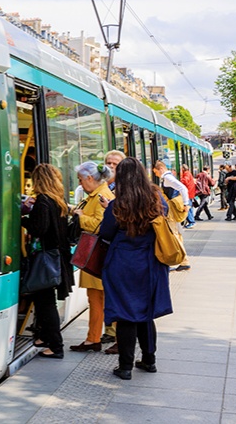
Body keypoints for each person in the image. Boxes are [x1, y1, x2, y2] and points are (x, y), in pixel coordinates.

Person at [99, 157, 173, 380]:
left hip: (123, 264)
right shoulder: (156, 198)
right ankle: (149, 361)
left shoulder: (117, 204)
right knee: (146, 313)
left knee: (125, 314)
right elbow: (165, 218)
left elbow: (105, 234)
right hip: (151, 262)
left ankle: (125, 366)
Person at [21, 164, 73, 359]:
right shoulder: (58, 200)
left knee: (45, 302)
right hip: (57, 256)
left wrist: (23, 218)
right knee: (42, 299)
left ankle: (56, 346)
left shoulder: (43, 201)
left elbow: (39, 229)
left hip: (46, 259)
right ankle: (43, 336)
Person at [69, 161, 114, 353]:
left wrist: (80, 217)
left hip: (96, 255)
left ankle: (93, 339)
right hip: (95, 255)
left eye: (81, 179)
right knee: (96, 299)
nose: (80, 184)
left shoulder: (102, 196)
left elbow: (99, 224)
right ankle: (92, 338)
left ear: (89, 178)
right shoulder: (96, 195)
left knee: (98, 300)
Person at [101, 150, 125, 350]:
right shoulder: (105, 186)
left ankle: (118, 336)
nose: (110, 166)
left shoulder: (122, 192)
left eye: (115, 164)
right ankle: (110, 331)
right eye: (108, 162)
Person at [152, 161, 191, 271]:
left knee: (173, 233)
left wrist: (186, 203)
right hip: (172, 210)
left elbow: (183, 188)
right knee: (176, 234)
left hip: (171, 211)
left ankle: (183, 260)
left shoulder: (168, 178)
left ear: (160, 169)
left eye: (156, 172)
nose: (156, 175)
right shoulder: (168, 177)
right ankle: (184, 260)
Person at [179, 165, 196, 229]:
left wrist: (180, 176)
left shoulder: (186, 174)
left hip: (188, 194)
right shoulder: (188, 173)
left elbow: (185, 181)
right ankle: (192, 221)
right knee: (190, 207)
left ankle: (191, 222)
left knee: (187, 208)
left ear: (183, 169)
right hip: (190, 193)